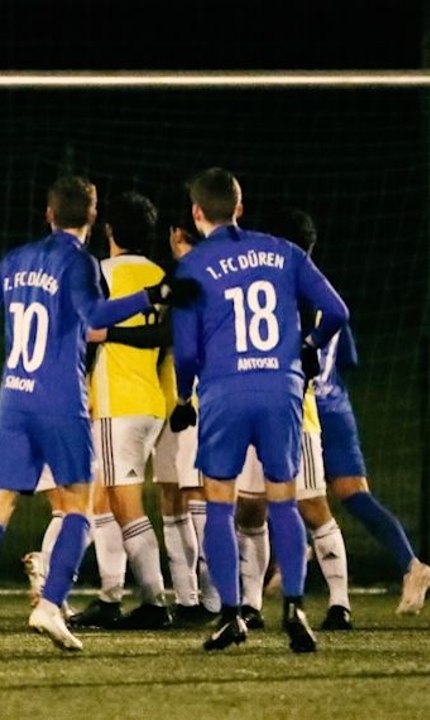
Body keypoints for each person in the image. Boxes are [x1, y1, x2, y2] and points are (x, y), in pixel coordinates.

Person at [0, 176, 188, 653]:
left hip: (13, 403)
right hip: (61, 404)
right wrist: (151, 296)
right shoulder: (80, 262)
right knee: (80, 507)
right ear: (93, 216)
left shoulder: (17, 260)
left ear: (49, 214)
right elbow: (94, 316)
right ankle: (51, 605)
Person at [169, 168, 348, 654]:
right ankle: (294, 608)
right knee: (284, 500)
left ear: (197, 212)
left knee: (220, 504)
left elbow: (186, 352)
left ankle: (232, 614)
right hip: (280, 389)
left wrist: (183, 398)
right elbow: (337, 310)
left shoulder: (194, 265)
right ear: (240, 207)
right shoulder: (284, 251)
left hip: (224, 391)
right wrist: (309, 346)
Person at [273, 206, 430, 618]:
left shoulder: (278, 292)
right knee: (354, 496)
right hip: (336, 406)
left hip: (301, 408)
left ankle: (288, 560)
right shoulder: (325, 291)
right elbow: (350, 359)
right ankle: (412, 565)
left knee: (272, 488)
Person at [68, 191, 171, 631]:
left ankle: (153, 600)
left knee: (125, 503)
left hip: (117, 402)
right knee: (109, 497)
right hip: (151, 401)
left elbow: (86, 332)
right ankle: (110, 597)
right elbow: (168, 336)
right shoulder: (161, 275)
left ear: (109, 230)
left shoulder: (102, 272)